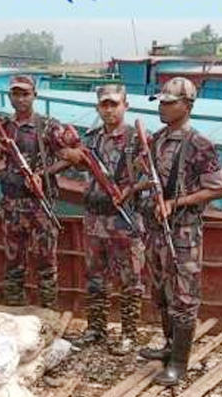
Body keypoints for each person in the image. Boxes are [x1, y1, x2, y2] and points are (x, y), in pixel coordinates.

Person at [140, 77, 222, 385]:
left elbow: (218, 188)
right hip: (156, 231)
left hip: (183, 233)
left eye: (169, 102)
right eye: (161, 102)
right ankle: (168, 346)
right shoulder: (157, 139)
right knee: (161, 291)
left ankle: (179, 363)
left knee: (184, 296)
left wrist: (176, 203)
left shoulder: (199, 143)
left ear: (187, 106)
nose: (162, 108)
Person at [61, 84, 146, 356]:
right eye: (104, 105)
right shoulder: (91, 139)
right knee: (95, 277)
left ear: (126, 105)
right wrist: (71, 157)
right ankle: (96, 329)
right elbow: (72, 157)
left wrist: (131, 190)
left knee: (130, 279)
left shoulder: (139, 139)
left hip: (125, 219)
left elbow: (152, 176)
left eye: (114, 104)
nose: (109, 109)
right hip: (96, 219)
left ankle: (129, 334)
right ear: (98, 107)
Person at [0, 74, 67, 308]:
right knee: (13, 262)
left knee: (46, 263)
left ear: (34, 95)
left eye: (25, 94)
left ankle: (48, 311)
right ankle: (15, 309)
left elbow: (70, 157)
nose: (21, 99)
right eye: (16, 94)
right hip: (12, 204)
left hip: (40, 207)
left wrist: (42, 175)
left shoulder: (49, 126)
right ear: (10, 96)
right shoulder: (4, 126)